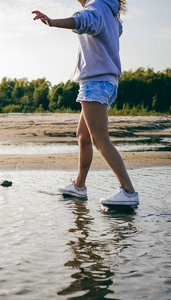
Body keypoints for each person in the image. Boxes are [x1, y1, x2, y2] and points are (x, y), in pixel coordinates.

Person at [32, 0, 139, 206]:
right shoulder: (109, 13)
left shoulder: (96, 7)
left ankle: (128, 191)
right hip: (105, 81)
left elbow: (81, 20)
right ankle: (79, 186)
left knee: (100, 140)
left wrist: (52, 21)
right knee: (83, 137)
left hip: (95, 81)